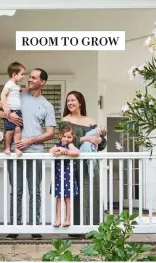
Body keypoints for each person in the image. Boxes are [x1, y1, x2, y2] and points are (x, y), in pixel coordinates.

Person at [0, 68, 56, 239]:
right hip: (15, 152)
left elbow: (50, 133)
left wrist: (30, 140)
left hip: (35, 153)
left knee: (35, 191)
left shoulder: (47, 105)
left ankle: (35, 226)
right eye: (29, 77)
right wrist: (8, 115)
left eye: (34, 78)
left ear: (42, 82)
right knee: (16, 190)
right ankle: (15, 227)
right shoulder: (16, 94)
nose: (30, 79)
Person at [60, 91, 107, 237]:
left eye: (73, 100)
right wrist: (87, 138)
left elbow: (102, 142)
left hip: (91, 163)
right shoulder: (65, 120)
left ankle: (93, 228)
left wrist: (99, 140)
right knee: (76, 193)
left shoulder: (91, 120)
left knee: (92, 192)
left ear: (80, 102)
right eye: (68, 100)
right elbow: (66, 140)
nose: (70, 103)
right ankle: (76, 229)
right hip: (74, 163)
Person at [49, 124, 79, 227]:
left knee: (67, 198)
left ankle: (68, 219)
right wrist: (59, 150)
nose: (66, 139)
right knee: (58, 198)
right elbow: (50, 151)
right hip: (58, 176)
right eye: (64, 136)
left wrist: (66, 152)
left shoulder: (70, 146)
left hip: (68, 176)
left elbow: (76, 152)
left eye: (69, 137)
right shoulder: (57, 145)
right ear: (60, 136)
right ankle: (58, 219)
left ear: (72, 138)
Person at [1, 62, 25, 157]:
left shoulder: (16, 85)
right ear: (14, 74)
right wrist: (5, 107)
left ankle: (17, 148)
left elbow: (20, 91)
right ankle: (7, 147)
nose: (23, 76)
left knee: (18, 130)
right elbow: (3, 95)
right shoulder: (9, 84)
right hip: (11, 111)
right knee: (10, 131)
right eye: (22, 74)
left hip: (18, 112)